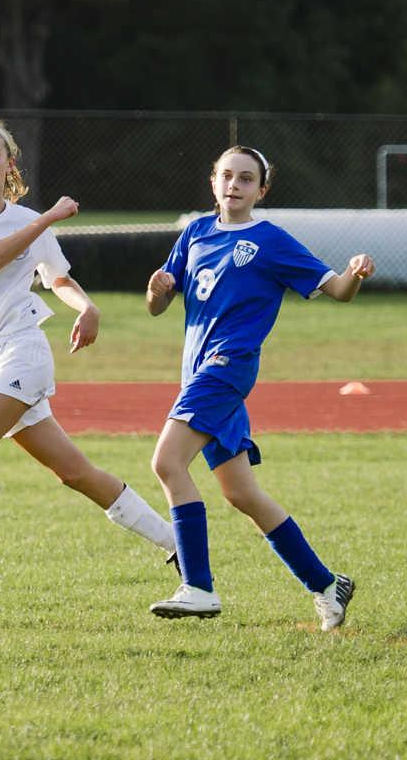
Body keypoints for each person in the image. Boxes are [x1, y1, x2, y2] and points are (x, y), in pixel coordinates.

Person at [0, 118, 178, 617]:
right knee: (76, 473)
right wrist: (46, 218)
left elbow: (59, 279)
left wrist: (85, 307)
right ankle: (182, 545)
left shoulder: (28, 220)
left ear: (9, 163)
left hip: (21, 351)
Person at [145, 145, 374, 629]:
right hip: (199, 373)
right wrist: (156, 290)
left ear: (261, 190)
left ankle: (199, 588)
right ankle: (328, 586)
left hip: (227, 368)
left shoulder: (271, 241)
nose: (234, 185)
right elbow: (159, 306)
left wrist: (353, 275)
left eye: (246, 179)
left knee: (166, 462)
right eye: (227, 176)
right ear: (213, 182)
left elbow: (335, 289)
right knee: (241, 493)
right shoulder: (195, 233)